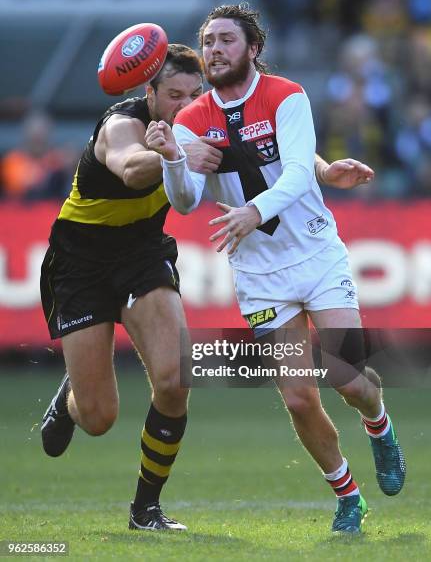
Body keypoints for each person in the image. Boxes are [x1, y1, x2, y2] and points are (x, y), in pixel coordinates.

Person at [40, 42, 374, 533]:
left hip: (142, 254)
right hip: (80, 262)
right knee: (98, 418)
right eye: (174, 94)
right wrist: (175, 153)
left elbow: (272, 142)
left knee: (176, 380)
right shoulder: (122, 126)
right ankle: (73, 394)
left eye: (194, 93)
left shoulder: (201, 119)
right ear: (148, 93)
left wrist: (322, 170)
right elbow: (132, 168)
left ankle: (145, 510)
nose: (185, 104)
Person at [145, 4, 406, 535]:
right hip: (260, 273)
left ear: (253, 49)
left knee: (348, 380)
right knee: (297, 395)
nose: (215, 49)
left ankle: (379, 426)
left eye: (226, 40)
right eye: (208, 41)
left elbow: (294, 172)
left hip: (314, 253)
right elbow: (189, 201)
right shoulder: (192, 119)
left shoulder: (287, 96)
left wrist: (253, 210)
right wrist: (174, 158)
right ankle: (348, 497)